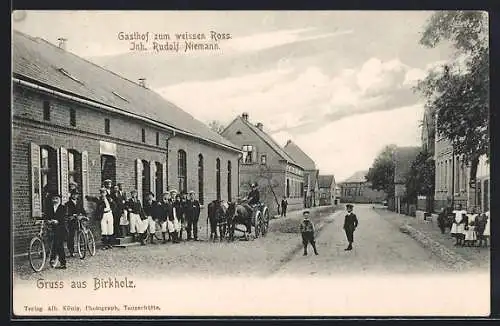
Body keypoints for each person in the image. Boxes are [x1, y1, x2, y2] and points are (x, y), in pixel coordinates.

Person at [44, 194, 68, 269]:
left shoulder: (63, 208)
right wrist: (48, 220)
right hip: (52, 228)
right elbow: (47, 216)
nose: (55, 200)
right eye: (53, 199)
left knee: (59, 245)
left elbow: (64, 217)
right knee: (54, 244)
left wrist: (57, 221)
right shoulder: (50, 208)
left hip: (61, 228)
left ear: (59, 200)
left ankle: (63, 263)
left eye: (56, 198)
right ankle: (53, 259)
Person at [65, 188, 87, 257]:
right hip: (72, 221)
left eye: (76, 195)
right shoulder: (68, 204)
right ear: (71, 195)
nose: (75, 196)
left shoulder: (79, 202)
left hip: (79, 220)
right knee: (71, 235)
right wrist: (71, 215)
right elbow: (67, 213)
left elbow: (82, 210)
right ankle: (71, 251)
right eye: (74, 194)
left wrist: (84, 216)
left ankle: (82, 247)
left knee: (82, 232)